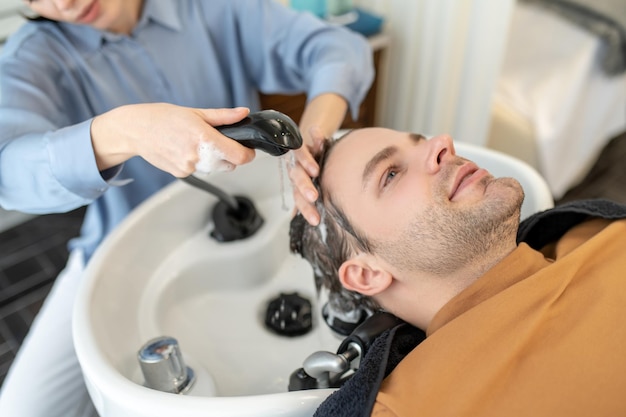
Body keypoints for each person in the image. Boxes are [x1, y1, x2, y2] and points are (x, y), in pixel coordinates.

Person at [0, 1, 374, 415]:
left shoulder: (207, 8)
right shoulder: (35, 56)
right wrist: (125, 131)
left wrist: (315, 132)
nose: (63, 4)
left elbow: (339, 46)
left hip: (252, 217)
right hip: (115, 249)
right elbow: (8, 170)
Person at [289, 127, 626, 417]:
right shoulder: (404, 407)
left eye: (420, 141)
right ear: (366, 275)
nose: (443, 143)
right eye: (391, 174)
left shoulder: (597, 231)